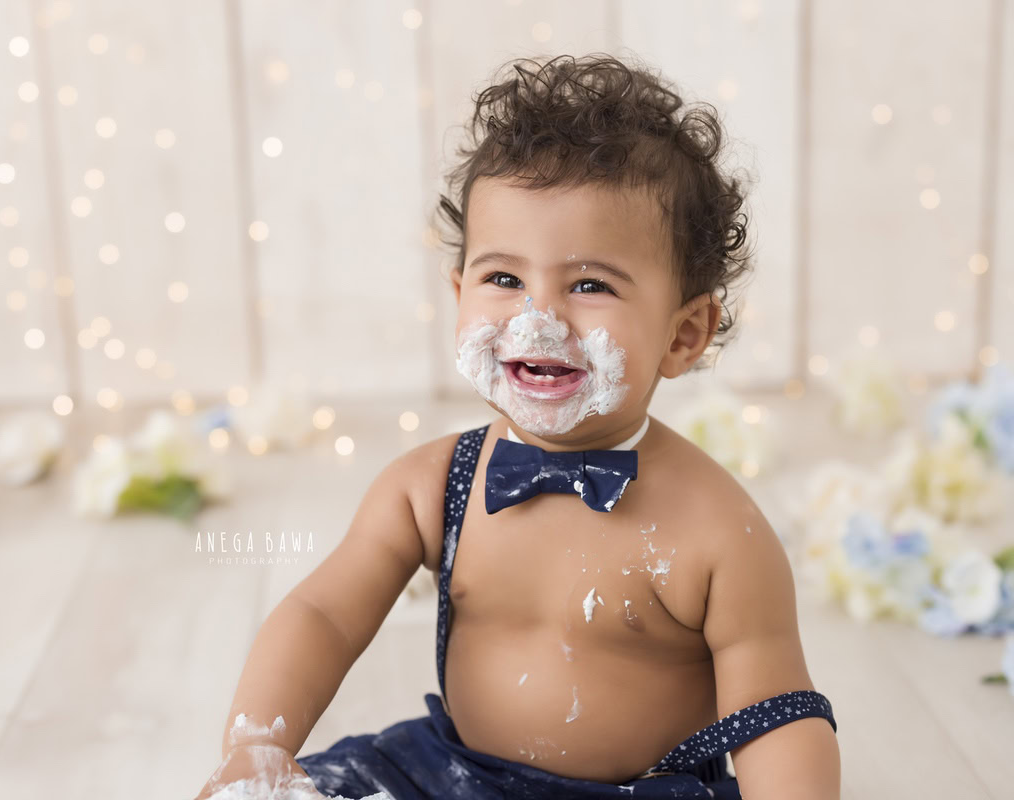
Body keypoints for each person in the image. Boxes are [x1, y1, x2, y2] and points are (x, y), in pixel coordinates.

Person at [195, 52, 840, 800]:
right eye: (503, 278)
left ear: (683, 334)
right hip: (447, 773)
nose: (538, 319)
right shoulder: (429, 488)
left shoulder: (720, 532)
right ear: (458, 286)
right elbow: (324, 614)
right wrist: (256, 745)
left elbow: (776, 714)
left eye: (590, 285)